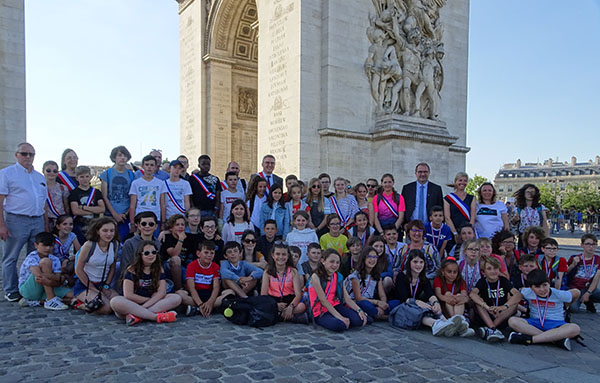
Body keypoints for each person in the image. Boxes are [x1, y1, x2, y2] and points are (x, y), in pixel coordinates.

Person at [1, 143, 51, 300]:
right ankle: (11, 289)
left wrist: (45, 224)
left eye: (31, 154)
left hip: (37, 220)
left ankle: (31, 289)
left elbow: (43, 203)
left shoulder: (39, 177)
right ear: (16, 155)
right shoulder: (6, 174)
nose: (28, 157)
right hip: (16, 220)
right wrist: (1, 224)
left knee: (36, 256)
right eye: (24, 154)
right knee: (11, 257)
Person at [394, 249, 467, 336]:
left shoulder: (423, 278)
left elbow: (430, 294)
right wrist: (417, 302)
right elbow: (403, 297)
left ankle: (448, 323)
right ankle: (436, 324)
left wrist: (436, 303)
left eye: (421, 262)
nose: (418, 265)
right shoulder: (401, 276)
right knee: (415, 310)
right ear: (409, 262)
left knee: (431, 306)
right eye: (415, 262)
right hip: (402, 306)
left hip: (415, 304)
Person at [508, 269, 581, 351]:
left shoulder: (558, 294)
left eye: (545, 285)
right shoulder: (527, 292)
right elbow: (513, 295)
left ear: (549, 284)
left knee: (575, 328)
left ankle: (529, 339)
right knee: (512, 321)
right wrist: (508, 307)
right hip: (535, 322)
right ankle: (555, 340)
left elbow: (576, 292)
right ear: (531, 288)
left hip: (556, 324)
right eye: (537, 287)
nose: (542, 290)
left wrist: (566, 306)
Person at [110, 241, 180, 325]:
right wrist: (149, 300)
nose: (151, 255)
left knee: (176, 298)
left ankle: (137, 316)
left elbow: (162, 292)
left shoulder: (159, 269)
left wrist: (144, 306)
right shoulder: (132, 269)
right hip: (133, 303)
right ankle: (155, 317)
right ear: (140, 255)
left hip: (152, 303)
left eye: (154, 252)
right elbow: (128, 295)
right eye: (147, 253)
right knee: (115, 301)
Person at [308, 249, 369, 332]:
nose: (335, 265)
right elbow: (323, 301)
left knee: (359, 320)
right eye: (332, 262)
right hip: (320, 310)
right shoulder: (316, 277)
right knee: (340, 325)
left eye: (337, 262)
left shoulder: (338, 276)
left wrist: (359, 310)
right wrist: (341, 317)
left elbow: (347, 298)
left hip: (335, 305)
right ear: (323, 261)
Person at [73, 217, 120, 314]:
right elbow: (78, 270)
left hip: (102, 283)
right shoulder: (89, 245)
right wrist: (92, 288)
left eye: (112, 231)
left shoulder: (114, 244)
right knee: (106, 308)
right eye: (105, 231)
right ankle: (80, 305)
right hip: (85, 284)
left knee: (118, 304)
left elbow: (112, 267)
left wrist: (106, 286)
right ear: (98, 231)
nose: (109, 234)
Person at [469, 256, 521, 342]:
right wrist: (486, 307)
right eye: (489, 269)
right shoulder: (482, 281)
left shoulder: (503, 281)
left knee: (514, 304)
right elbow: (472, 294)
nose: (493, 271)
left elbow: (518, 295)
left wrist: (503, 307)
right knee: (477, 302)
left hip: (501, 314)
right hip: (487, 313)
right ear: (483, 272)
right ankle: (492, 328)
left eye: (495, 268)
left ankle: (491, 329)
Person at [18, 232, 72, 309]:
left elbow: (57, 280)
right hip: (30, 289)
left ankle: (37, 302)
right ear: (36, 245)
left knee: (71, 294)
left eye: (50, 246)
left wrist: (51, 281)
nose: (48, 248)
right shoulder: (31, 257)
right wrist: (55, 278)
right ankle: (50, 299)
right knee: (45, 262)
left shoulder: (55, 259)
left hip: (47, 286)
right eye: (44, 245)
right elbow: (39, 277)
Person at [178, 241, 229, 317]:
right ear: (198, 254)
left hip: (209, 294)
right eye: (206, 252)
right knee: (179, 294)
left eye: (212, 253)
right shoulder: (192, 265)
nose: (209, 255)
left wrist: (210, 302)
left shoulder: (215, 266)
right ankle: (205, 308)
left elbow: (216, 287)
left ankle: (200, 309)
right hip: (195, 295)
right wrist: (200, 304)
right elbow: (191, 288)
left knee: (229, 292)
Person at [347, 246, 398, 321]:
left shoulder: (376, 275)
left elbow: (382, 295)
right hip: (358, 303)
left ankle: (376, 314)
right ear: (364, 258)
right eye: (369, 257)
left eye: (375, 257)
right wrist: (377, 302)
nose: (372, 260)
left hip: (372, 303)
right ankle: (382, 316)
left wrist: (382, 305)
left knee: (396, 302)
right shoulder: (356, 276)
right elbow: (358, 298)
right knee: (365, 304)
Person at [260, 242, 307, 322]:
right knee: (263, 306)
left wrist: (291, 307)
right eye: (278, 254)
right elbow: (263, 294)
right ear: (273, 255)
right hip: (273, 301)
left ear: (288, 256)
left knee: (302, 306)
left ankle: (281, 316)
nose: (281, 257)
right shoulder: (268, 272)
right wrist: (275, 305)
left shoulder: (293, 271)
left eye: (284, 254)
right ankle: (289, 317)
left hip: (289, 300)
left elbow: (298, 294)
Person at [99, 146, 134, 242]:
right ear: (114, 158)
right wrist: (115, 214)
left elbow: (133, 197)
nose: (122, 158)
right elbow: (104, 196)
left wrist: (125, 214)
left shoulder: (131, 175)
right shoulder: (107, 174)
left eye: (125, 155)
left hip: (125, 216)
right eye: (119, 155)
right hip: (110, 214)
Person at [433, 259, 473, 337]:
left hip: (458, 308)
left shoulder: (460, 281)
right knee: (448, 294)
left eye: (455, 272)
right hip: (444, 308)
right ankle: (457, 324)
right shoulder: (438, 280)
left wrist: (460, 298)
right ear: (443, 272)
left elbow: (465, 297)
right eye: (449, 272)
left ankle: (457, 321)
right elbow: (438, 294)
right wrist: (447, 298)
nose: (452, 274)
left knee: (459, 296)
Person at [120, 212, 161, 283]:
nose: (147, 226)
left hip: (152, 279)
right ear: (138, 226)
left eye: (151, 224)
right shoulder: (129, 243)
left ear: (156, 226)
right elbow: (124, 267)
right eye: (143, 224)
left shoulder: (157, 243)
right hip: (132, 279)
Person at [128, 155, 166, 234]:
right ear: (142, 166)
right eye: (147, 164)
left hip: (155, 218)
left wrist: (163, 222)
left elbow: (162, 204)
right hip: (140, 218)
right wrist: (132, 223)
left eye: (152, 165)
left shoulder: (160, 183)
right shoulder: (136, 183)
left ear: (155, 167)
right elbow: (132, 205)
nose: (149, 167)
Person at [160, 214, 198, 291]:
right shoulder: (167, 237)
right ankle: (179, 289)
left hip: (184, 266)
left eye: (182, 225)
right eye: (177, 225)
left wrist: (216, 235)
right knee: (176, 259)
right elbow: (174, 254)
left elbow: (204, 237)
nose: (180, 227)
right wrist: (180, 240)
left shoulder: (189, 237)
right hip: (168, 266)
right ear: (171, 228)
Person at [69, 166, 106, 245]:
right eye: (81, 177)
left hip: (94, 225)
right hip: (79, 226)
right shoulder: (74, 193)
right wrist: (94, 210)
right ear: (77, 178)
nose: (84, 179)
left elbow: (102, 209)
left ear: (90, 177)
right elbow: (75, 211)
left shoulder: (96, 192)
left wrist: (84, 207)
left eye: (87, 176)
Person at [567, 233, 600, 312]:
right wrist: (573, 265)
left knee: (595, 293)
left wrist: (588, 292)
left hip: (589, 288)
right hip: (575, 288)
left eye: (593, 244)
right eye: (588, 244)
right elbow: (565, 273)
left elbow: (596, 278)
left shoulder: (598, 259)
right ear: (582, 245)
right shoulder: (574, 258)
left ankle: (589, 301)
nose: (591, 247)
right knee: (573, 309)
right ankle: (583, 301)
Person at [443, 172, 477, 242]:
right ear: (455, 182)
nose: (463, 182)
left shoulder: (472, 198)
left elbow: (473, 216)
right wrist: (455, 233)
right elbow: (447, 217)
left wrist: (469, 232)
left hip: (467, 232)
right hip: (453, 230)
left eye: (465, 181)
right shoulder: (448, 198)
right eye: (460, 180)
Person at [51, 215, 80, 286]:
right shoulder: (52, 237)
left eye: (71, 224)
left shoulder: (72, 235)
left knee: (76, 263)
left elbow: (80, 251)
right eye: (65, 224)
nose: (68, 226)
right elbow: (49, 256)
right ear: (58, 226)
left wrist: (68, 260)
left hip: (66, 261)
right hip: (54, 261)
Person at [43, 160, 70, 230]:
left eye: (55, 171)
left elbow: (66, 206)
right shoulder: (40, 188)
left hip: (60, 221)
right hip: (46, 220)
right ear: (43, 171)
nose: (51, 173)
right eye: (48, 170)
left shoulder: (63, 188)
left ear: (57, 173)